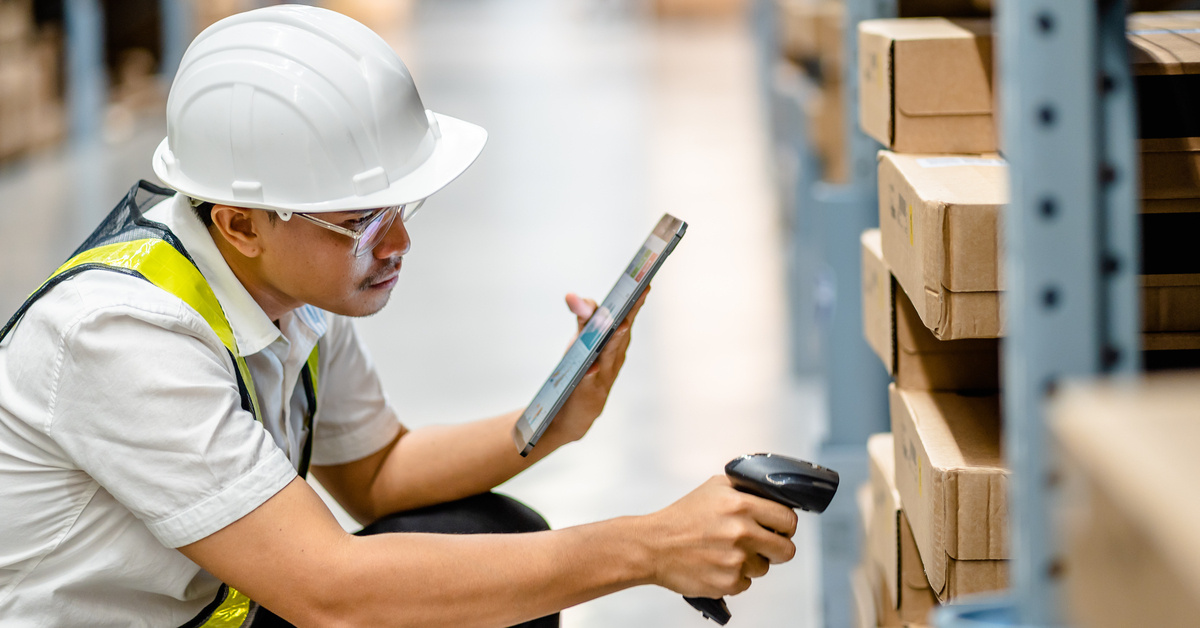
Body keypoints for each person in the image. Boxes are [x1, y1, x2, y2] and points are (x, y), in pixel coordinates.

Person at [0, 5, 797, 627]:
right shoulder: (121, 337)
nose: (401, 244)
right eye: (362, 223)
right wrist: (648, 546)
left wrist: (548, 423)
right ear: (240, 223)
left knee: (488, 535)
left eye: (400, 208)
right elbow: (332, 596)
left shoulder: (286, 283)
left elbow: (377, 475)